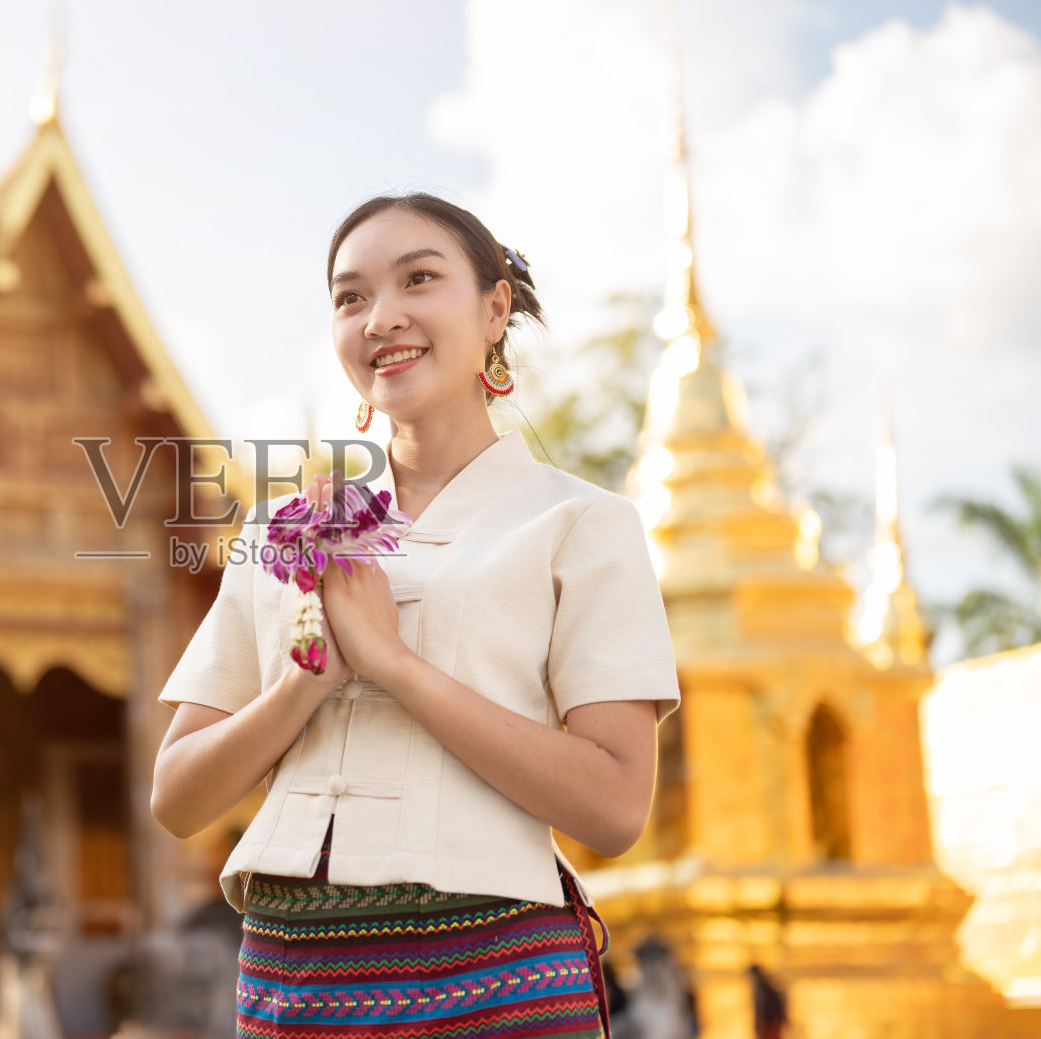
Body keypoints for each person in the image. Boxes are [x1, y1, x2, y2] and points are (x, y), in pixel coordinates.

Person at [150, 193, 681, 1039]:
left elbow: (616, 806)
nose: (381, 317)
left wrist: (395, 664)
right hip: (290, 982)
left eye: (419, 279)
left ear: (495, 307)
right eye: (350, 296)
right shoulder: (279, 532)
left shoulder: (580, 523)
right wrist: (304, 681)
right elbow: (177, 798)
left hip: (494, 975)